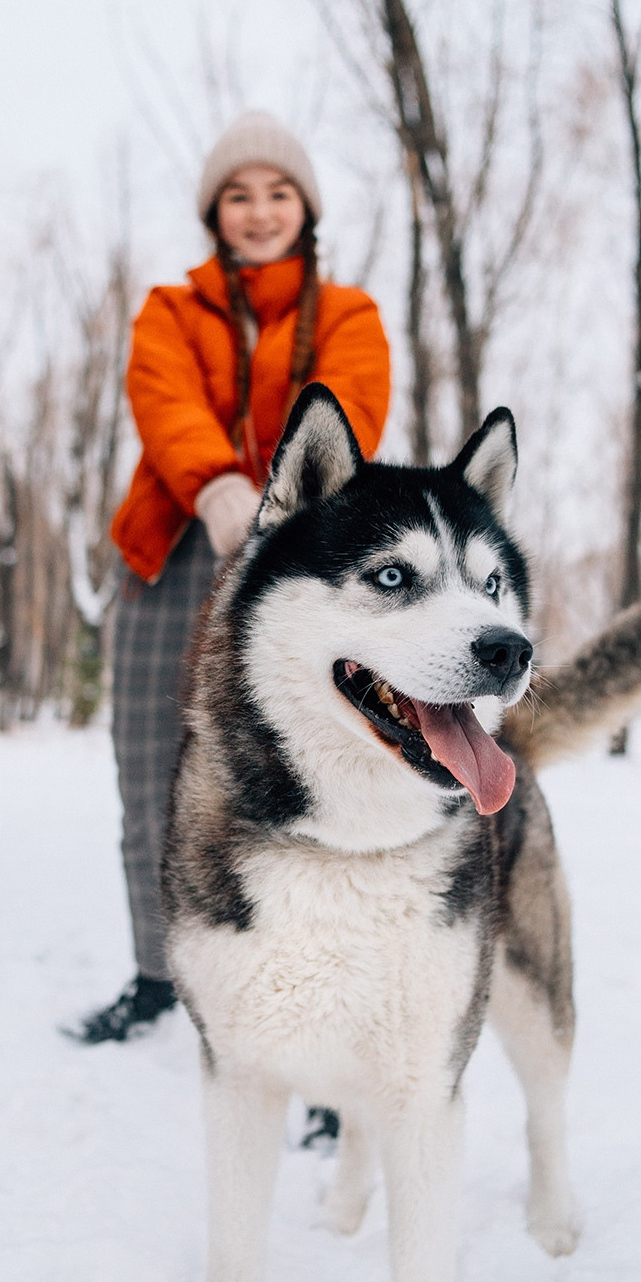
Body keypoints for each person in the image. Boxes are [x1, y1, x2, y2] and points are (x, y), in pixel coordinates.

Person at [71, 111, 391, 1060]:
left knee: (309, 778)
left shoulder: (347, 317)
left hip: (294, 572)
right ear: (215, 211)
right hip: (170, 554)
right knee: (151, 776)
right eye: (239, 195)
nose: (259, 212)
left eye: (278, 193)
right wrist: (215, 486)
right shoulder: (171, 310)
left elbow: (349, 414)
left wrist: (273, 510)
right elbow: (162, 402)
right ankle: (156, 972)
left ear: (306, 209)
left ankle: (315, 991)